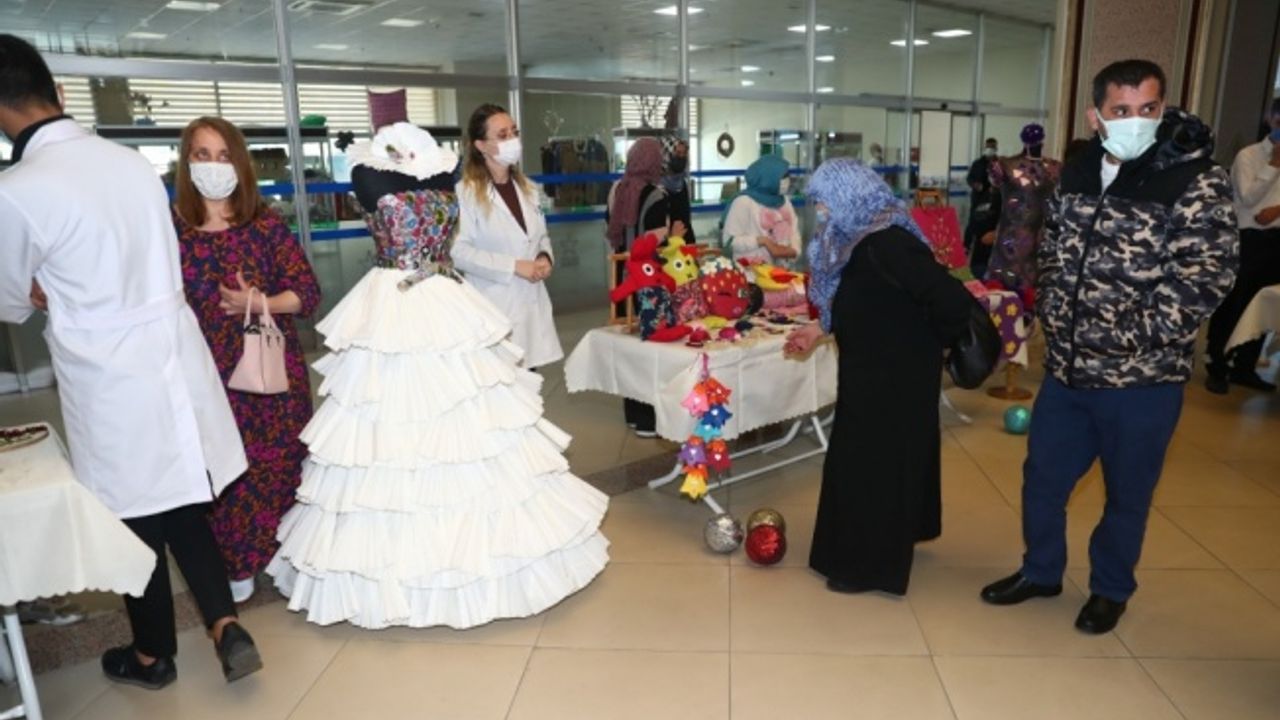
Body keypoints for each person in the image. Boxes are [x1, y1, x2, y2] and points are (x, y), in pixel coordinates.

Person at [266, 123, 609, 629]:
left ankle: (483, 554)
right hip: (393, 300)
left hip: (446, 297)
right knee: (390, 418)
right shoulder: (366, 169)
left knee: (471, 418)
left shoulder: (443, 167)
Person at [0, 34, 261, 689]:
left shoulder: (18, 189)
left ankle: (151, 656)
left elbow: (8, 296)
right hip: (172, 353)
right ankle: (225, 624)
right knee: (183, 499)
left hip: (107, 370)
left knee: (136, 514)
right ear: (56, 91)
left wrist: (39, 291)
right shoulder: (129, 163)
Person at [980, 60, 1238, 634]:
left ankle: (1110, 589)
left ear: (1162, 109)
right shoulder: (1075, 171)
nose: (1136, 121)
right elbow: (1052, 248)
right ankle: (1041, 571)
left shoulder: (1194, 179)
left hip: (1142, 380)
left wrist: (1126, 336)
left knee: (1127, 494)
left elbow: (1207, 277)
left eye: (1149, 109)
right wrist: (1052, 309)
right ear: (1096, 116)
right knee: (1043, 481)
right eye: (1122, 110)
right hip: (1068, 373)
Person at [784, 158, 972, 596]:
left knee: (874, 465)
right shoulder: (854, 238)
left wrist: (932, 346)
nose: (821, 211)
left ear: (850, 196)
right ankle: (889, 536)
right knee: (867, 459)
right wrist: (821, 328)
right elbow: (862, 299)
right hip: (869, 370)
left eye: (826, 202)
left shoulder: (888, 242)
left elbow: (950, 301)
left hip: (896, 377)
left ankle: (868, 567)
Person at [172, 116, 321, 604]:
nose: (214, 166)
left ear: (239, 163)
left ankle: (290, 555)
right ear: (186, 161)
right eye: (202, 155)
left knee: (280, 465)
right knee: (225, 472)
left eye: (223, 155)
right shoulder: (171, 232)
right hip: (208, 377)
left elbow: (307, 293)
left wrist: (260, 302)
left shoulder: (264, 225)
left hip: (272, 375)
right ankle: (236, 564)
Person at [453, 104, 563, 370]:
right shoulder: (465, 193)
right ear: (481, 145)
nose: (513, 140)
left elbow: (540, 236)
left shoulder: (530, 189)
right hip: (494, 308)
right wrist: (513, 266)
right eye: (502, 135)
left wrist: (544, 257)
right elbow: (458, 252)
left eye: (514, 132)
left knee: (530, 381)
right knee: (502, 384)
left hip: (530, 305)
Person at [1204, 97, 1280, 394]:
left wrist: (1277, 210)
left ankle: (1245, 367)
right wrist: (1274, 165)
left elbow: (1270, 210)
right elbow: (1248, 198)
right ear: (1270, 120)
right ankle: (1218, 364)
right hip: (1249, 239)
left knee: (1262, 306)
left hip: (1277, 241)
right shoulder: (1248, 156)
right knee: (1234, 302)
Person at [606, 137, 671, 438]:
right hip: (648, 281)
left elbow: (612, 231)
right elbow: (658, 240)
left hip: (623, 277)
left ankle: (632, 414)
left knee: (628, 348)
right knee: (649, 346)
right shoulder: (656, 195)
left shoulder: (617, 189)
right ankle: (647, 418)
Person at [984, 123, 1062, 295]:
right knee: (1006, 289)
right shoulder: (1006, 165)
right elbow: (994, 182)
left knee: (1033, 288)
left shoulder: (1055, 167)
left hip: (1038, 237)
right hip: (1016, 237)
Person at [722, 154, 801, 268]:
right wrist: (762, 241)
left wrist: (794, 250)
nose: (787, 180)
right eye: (783, 177)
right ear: (769, 177)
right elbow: (730, 242)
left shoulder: (784, 201)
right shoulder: (744, 202)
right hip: (750, 273)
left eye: (787, 176)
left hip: (780, 272)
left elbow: (794, 231)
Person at [964, 137, 1000, 278]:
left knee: (988, 231)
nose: (990, 149)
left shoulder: (999, 164)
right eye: (988, 146)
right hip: (978, 200)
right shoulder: (978, 164)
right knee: (974, 225)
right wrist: (976, 185)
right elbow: (969, 179)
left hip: (995, 203)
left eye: (993, 147)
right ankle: (966, 246)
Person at [662, 137, 696, 243]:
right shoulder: (658, 186)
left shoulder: (682, 184)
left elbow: (685, 219)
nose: (681, 157)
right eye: (677, 153)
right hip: (665, 243)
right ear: (667, 155)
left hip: (685, 241)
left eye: (684, 153)